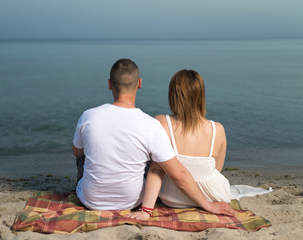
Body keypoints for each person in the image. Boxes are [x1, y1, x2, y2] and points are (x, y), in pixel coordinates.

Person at [72, 59, 234, 216]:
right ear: (139, 83)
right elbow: (207, 170)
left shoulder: (88, 116)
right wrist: (207, 204)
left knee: (85, 155)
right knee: (151, 153)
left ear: (109, 84)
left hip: (91, 200)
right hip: (136, 201)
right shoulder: (152, 125)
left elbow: (77, 152)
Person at [126, 69, 231, 220]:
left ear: (173, 96)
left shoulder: (162, 122)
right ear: (201, 96)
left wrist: (146, 210)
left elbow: (157, 169)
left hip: (173, 197)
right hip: (213, 196)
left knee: (150, 163)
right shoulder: (218, 129)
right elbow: (217, 169)